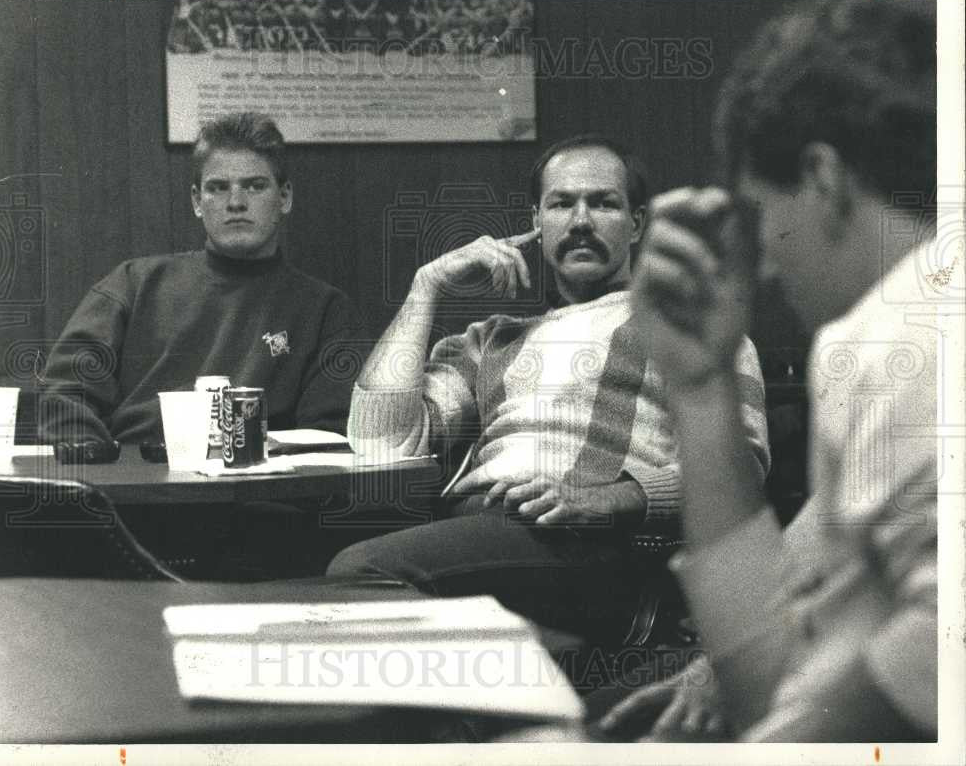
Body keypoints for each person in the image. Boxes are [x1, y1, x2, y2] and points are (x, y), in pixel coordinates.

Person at [588, 0, 942, 743]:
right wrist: (700, 387)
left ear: (823, 178)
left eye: (763, 213)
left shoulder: (896, 330)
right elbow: (784, 687)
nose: (771, 271)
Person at [327, 135, 770, 639]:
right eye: (562, 204)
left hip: (592, 542)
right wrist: (425, 286)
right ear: (537, 222)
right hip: (479, 531)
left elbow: (742, 468)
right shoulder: (492, 338)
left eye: (603, 203)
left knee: (361, 574)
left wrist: (610, 499)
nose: (581, 221)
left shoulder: (689, 326)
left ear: (637, 224)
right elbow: (380, 442)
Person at [37, 112, 363, 445]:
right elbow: (66, 395)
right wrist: (109, 474)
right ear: (197, 201)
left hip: (260, 484)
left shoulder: (324, 310)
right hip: (139, 482)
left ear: (284, 197)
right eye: (218, 188)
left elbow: (326, 436)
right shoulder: (134, 285)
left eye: (255, 186)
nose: (236, 203)